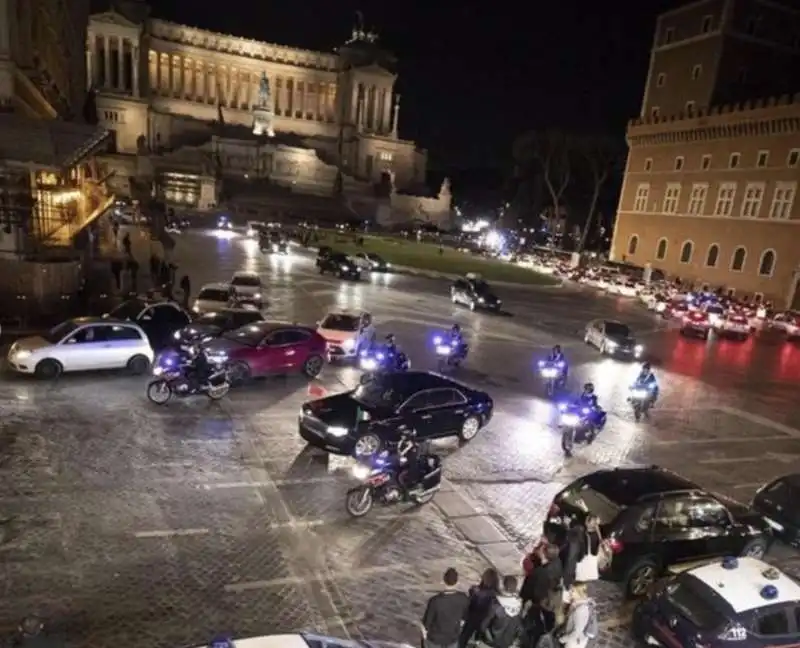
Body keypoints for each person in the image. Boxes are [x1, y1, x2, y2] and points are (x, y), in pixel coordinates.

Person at [421, 568, 470, 648]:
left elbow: (426, 625)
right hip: (452, 639)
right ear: (457, 582)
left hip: (434, 640)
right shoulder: (464, 599)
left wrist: (424, 641)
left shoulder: (435, 601)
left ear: (444, 580)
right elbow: (463, 621)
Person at [459, 569, 501, 648]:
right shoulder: (497, 595)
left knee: (463, 639)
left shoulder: (475, 591)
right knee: (481, 639)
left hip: (472, 618)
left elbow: (469, 604)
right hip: (486, 621)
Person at [479, 575, 522, 648]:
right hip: (507, 642)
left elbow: (485, 623)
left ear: (505, 587)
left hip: (491, 640)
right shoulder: (519, 605)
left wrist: (480, 632)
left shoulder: (497, 603)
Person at [558, 583, 597, 648]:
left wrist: (562, 640)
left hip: (575, 643)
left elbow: (576, 633)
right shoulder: (579, 603)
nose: (570, 592)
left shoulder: (581, 611)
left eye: (573, 591)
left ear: (581, 594)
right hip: (576, 639)